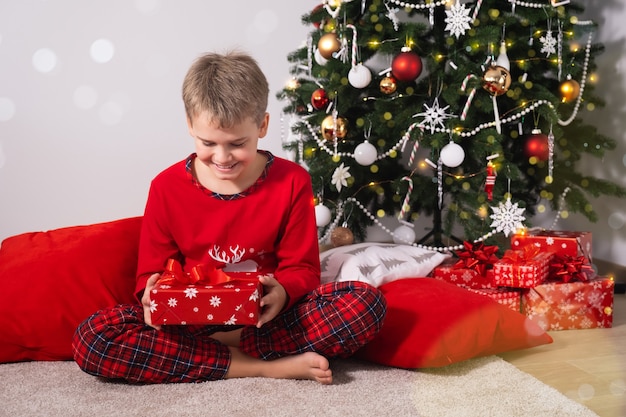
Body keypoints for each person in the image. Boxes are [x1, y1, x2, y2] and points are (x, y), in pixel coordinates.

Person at [72, 50, 386, 385]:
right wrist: (151, 293)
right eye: (208, 143)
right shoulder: (165, 187)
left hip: (266, 318)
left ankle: (213, 353)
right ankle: (265, 365)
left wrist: (280, 292)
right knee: (95, 337)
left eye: (237, 143)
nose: (222, 157)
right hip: (190, 320)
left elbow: (302, 269)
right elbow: (151, 272)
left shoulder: (292, 181)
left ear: (262, 126)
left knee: (365, 304)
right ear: (190, 125)